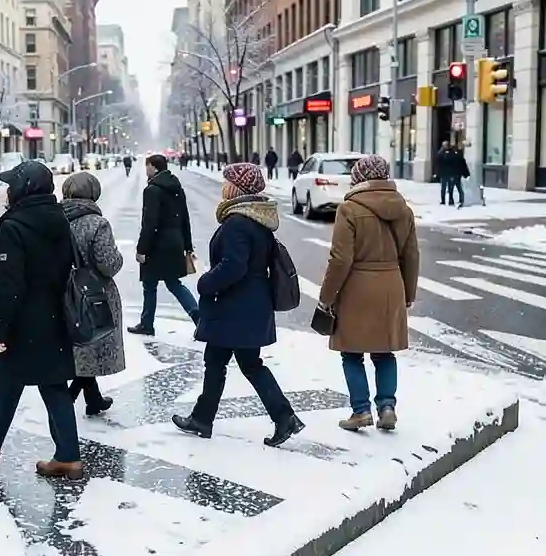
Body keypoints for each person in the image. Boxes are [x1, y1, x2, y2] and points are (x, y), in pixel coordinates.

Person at [0, 159, 82, 479]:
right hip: (54, 318)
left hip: (23, 323)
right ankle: (67, 456)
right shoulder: (59, 220)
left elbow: (9, 285)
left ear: (25, 188)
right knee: (53, 387)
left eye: (12, 185)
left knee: (8, 383)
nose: (8, 191)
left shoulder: (15, 227)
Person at [172, 163, 303, 447]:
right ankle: (280, 418)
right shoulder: (257, 220)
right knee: (239, 363)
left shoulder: (238, 223)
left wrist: (206, 282)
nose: (223, 186)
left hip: (235, 306)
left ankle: (206, 419)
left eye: (227, 182)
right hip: (251, 305)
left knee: (221, 363)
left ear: (237, 188)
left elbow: (234, 267)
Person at [317, 154, 419, 431]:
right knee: (384, 352)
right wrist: (408, 293)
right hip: (391, 286)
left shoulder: (349, 209)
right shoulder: (404, 210)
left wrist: (326, 297)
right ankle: (387, 406)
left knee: (351, 353)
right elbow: (410, 256)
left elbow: (340, 259)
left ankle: (361, 411)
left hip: (356, 287)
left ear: (359, 178)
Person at [61, 171, 125, 415]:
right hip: (93, 294)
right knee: (92, 342)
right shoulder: (97, 224)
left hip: (65, 292)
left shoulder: (57, 219)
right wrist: (118, 257)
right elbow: (109, 264)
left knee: (80, 348)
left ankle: (94, 399)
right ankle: (67, 399)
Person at [128, 153, 198, 336]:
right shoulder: (176, 187)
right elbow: (185, 218)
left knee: (149, 285)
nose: (146, 170)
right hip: (175, 242)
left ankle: (146, 324)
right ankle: (198, 317)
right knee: (174, 283)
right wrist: (188, 245)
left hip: (157, 244)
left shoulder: (152, 190)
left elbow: (150, 222)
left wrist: (141, 249)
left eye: (147, 166)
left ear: (154, 167)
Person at [436, 140, 468, 207]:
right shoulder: (443, 153)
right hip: (447, 174)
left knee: (453, 187)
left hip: (452, 174)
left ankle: (451, 200)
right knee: (448, 188)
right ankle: (446, 200)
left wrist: (465, 173)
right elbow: (438, 164)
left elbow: (461, 164)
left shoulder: (453, 154)